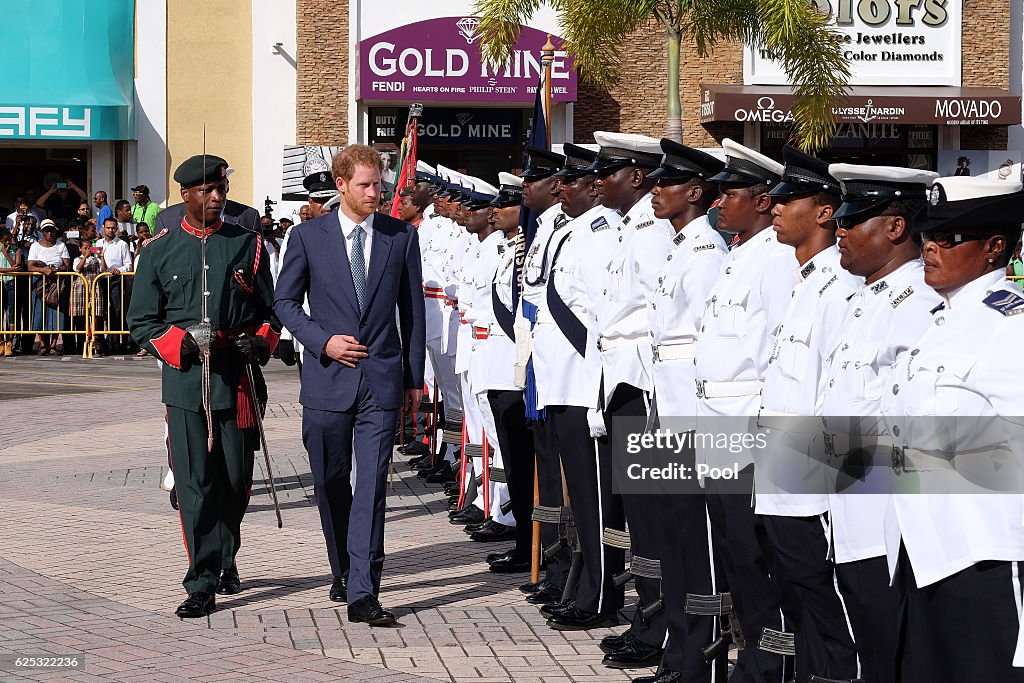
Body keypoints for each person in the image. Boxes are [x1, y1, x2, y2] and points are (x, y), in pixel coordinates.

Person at [879, 177, 1024, 682]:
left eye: (950, 239)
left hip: (983, 552)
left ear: (995, 248)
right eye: (927, 239)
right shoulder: (939, 321)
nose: (932, 249)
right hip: (924, 549)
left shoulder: (1009, 324)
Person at [274, 144, 425, 626]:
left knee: (372, 487)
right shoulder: (307, 236)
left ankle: (364, 590)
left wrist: (413, 379)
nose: (374, 193)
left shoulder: (400, 237)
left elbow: (413, 312)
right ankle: (342, 569)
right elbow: (285, 304)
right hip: (327, 381)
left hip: (380, 382)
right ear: (341, 186)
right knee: (330, 482)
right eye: (364, 185)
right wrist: (324, 342)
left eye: (378, 184)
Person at [127, 154, 281, 619]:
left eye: (221, 191)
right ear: (185, 195)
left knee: (235, 482)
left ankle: (226, 556)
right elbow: (141, 322)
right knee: (196, 486)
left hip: (237, 381)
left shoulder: (249, 245)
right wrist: (181, 346)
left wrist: (261, 341)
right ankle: (201, 579)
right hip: (187, 384)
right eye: (207, 191)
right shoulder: (159, 249)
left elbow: (273, 311)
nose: (217, 198)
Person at [823, 163, 941, 683]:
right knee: (866, 634)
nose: (840, 230)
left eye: (853, 218)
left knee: (887, 637)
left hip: (883, 509)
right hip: (847, 494)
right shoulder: (864, 295)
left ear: (896, 228)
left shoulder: (914, 302)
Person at [757, 146, 861, 682]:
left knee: (830, 613)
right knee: (798, 603)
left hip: (811, 486)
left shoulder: (839, 290)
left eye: (787, 199)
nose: (773, 207)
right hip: (780, 475)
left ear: (824, 212)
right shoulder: (802, 283)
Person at [695, 139, 795, 682]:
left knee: (756, 559)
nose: (718, 201)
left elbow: (778, 353)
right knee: (734, 552)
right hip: (716, 423)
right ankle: (752, 656)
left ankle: (768, 664)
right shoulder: (739, 256)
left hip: (747, 429)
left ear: (761, 200)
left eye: (730, 193)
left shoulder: (775, 261)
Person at [643, 139, 729, 683]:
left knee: (697, 547)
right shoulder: (678, 246)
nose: (656, 191)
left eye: (666, 183)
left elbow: (705, 346)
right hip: (665, 407)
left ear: (695, 193)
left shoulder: (705, 256)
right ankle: (678, 652)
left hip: (693, 416)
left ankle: (701, 660)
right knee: (673, 539)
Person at [534, 144, 625, 631]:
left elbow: (601, 320)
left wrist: (595, 387)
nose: (562, 187)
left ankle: (601, 593)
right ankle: (588, 584)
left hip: (584, 384)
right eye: (561, 180)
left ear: (595, 187)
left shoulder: (601, 234)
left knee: (594, 501)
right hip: (562, 382)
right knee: (584, 501)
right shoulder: (572, 232)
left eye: (573, 180)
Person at [27, 219, 70, 355]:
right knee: (40, 313)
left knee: (56, 314)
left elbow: (67, 265)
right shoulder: (35, 246)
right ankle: (43, 344)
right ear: (42, 232)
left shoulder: (61, 245)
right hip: (40, 282)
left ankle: (53, 345)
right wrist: (43, 270)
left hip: (56, 282)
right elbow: (30, 266)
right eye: (46, 230)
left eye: (51, 230)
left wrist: (56, 268)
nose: (49, 233)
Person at [95, 217, 134, 354]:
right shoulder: (98, 243)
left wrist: (119, 270)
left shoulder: (122, 244)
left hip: (116, 280)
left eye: (113, 228)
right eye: (108, 227)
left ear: (117, 229)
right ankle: (99, 342)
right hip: (99, 280)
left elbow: (128, 265)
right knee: (100, 310)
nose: (111, 230)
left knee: (116, 311)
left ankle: (115, 342)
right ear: (103, 228)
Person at [0, 228, 24, 356]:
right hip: (0, 282)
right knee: (0, 313)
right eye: (4, 241)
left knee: (12, 313)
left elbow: (16, 266)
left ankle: (9, 342)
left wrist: (6, 253)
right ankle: (1, 342)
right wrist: (8, 269)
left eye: (9, 240)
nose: (7, 243)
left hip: (11, 283)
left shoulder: (17, 250)